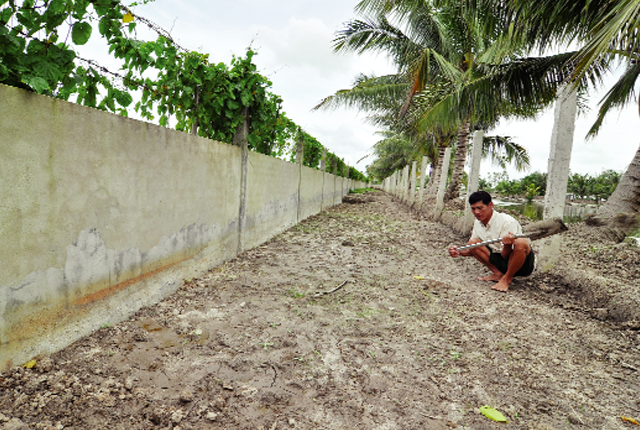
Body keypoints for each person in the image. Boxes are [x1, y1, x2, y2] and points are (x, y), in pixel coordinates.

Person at [448, 191, 535, 292]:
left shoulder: (507, 221)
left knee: (521, 242)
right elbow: (472, 249)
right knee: (473, 242)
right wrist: (458, 251)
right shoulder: (478, 223)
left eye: (480, 208)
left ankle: (506, 279)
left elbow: (506, 255)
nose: (476, 212)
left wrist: (507, 245)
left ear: (491, 205)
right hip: (500, 259)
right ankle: (498, 274)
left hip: (521, 264)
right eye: (473, 208)